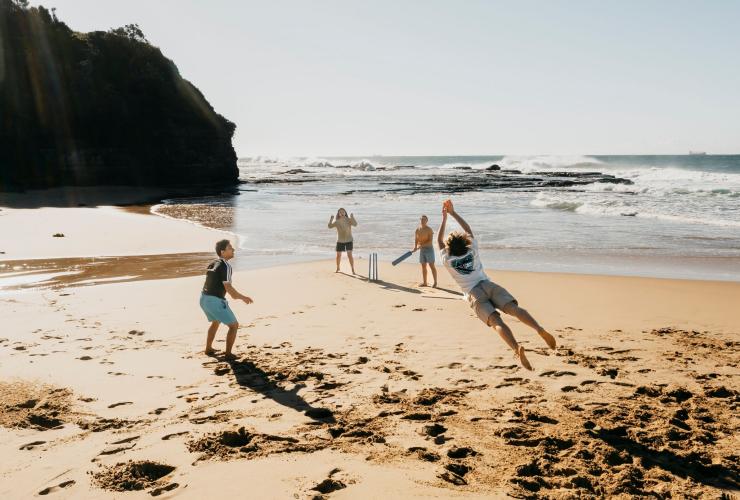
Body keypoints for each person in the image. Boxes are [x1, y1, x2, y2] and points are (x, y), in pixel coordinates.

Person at [437, 200, 555, 370]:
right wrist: (452, 213)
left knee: (496, 322)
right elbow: (468, 229)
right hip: (488, 285)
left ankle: (516, 348)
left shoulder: (448, 260)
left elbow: (439, 241)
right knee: (515, 310)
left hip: (473, 294)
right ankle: (539, 328)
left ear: (449, 248)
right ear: (465, 243)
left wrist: (443, 219)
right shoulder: (472, 250)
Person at [199, 239, 253, 359]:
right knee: (233, 326)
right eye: (230, 248)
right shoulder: (226, 266)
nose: (233, 250)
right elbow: (229, 290)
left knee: (215, 322)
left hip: (203, 299)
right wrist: (243, 297)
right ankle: (228, 354)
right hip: (214, 301)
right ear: (222, 252)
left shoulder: (213, 263)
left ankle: (208, 349)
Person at [328, 208, 357, 274]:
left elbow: (355, 224)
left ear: (345, 213)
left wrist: (352, 217)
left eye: (343, 212)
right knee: (338, 255)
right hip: (340, 241)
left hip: (349, 240)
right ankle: (338, 267)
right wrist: (331, 219)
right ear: (338, 214)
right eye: (340, 212)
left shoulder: (348, 220)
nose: (342, 213)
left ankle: (352, 269)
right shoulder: (337, 221)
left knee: (349, 255)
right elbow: (329, 226)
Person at [413, 215, 437, 287]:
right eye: (422, 220)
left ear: (427, 221)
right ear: (420, 220)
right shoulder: (417, 229)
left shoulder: (429, 229)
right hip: (422, 250)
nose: (423, 221)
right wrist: (415, 247)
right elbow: (416, 239)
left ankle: (435, 282)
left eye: (424, 220)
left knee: (431, 265)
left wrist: (421, 246)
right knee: (423, 266)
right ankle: (425, 282)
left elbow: (430, 242)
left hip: (429, 249)